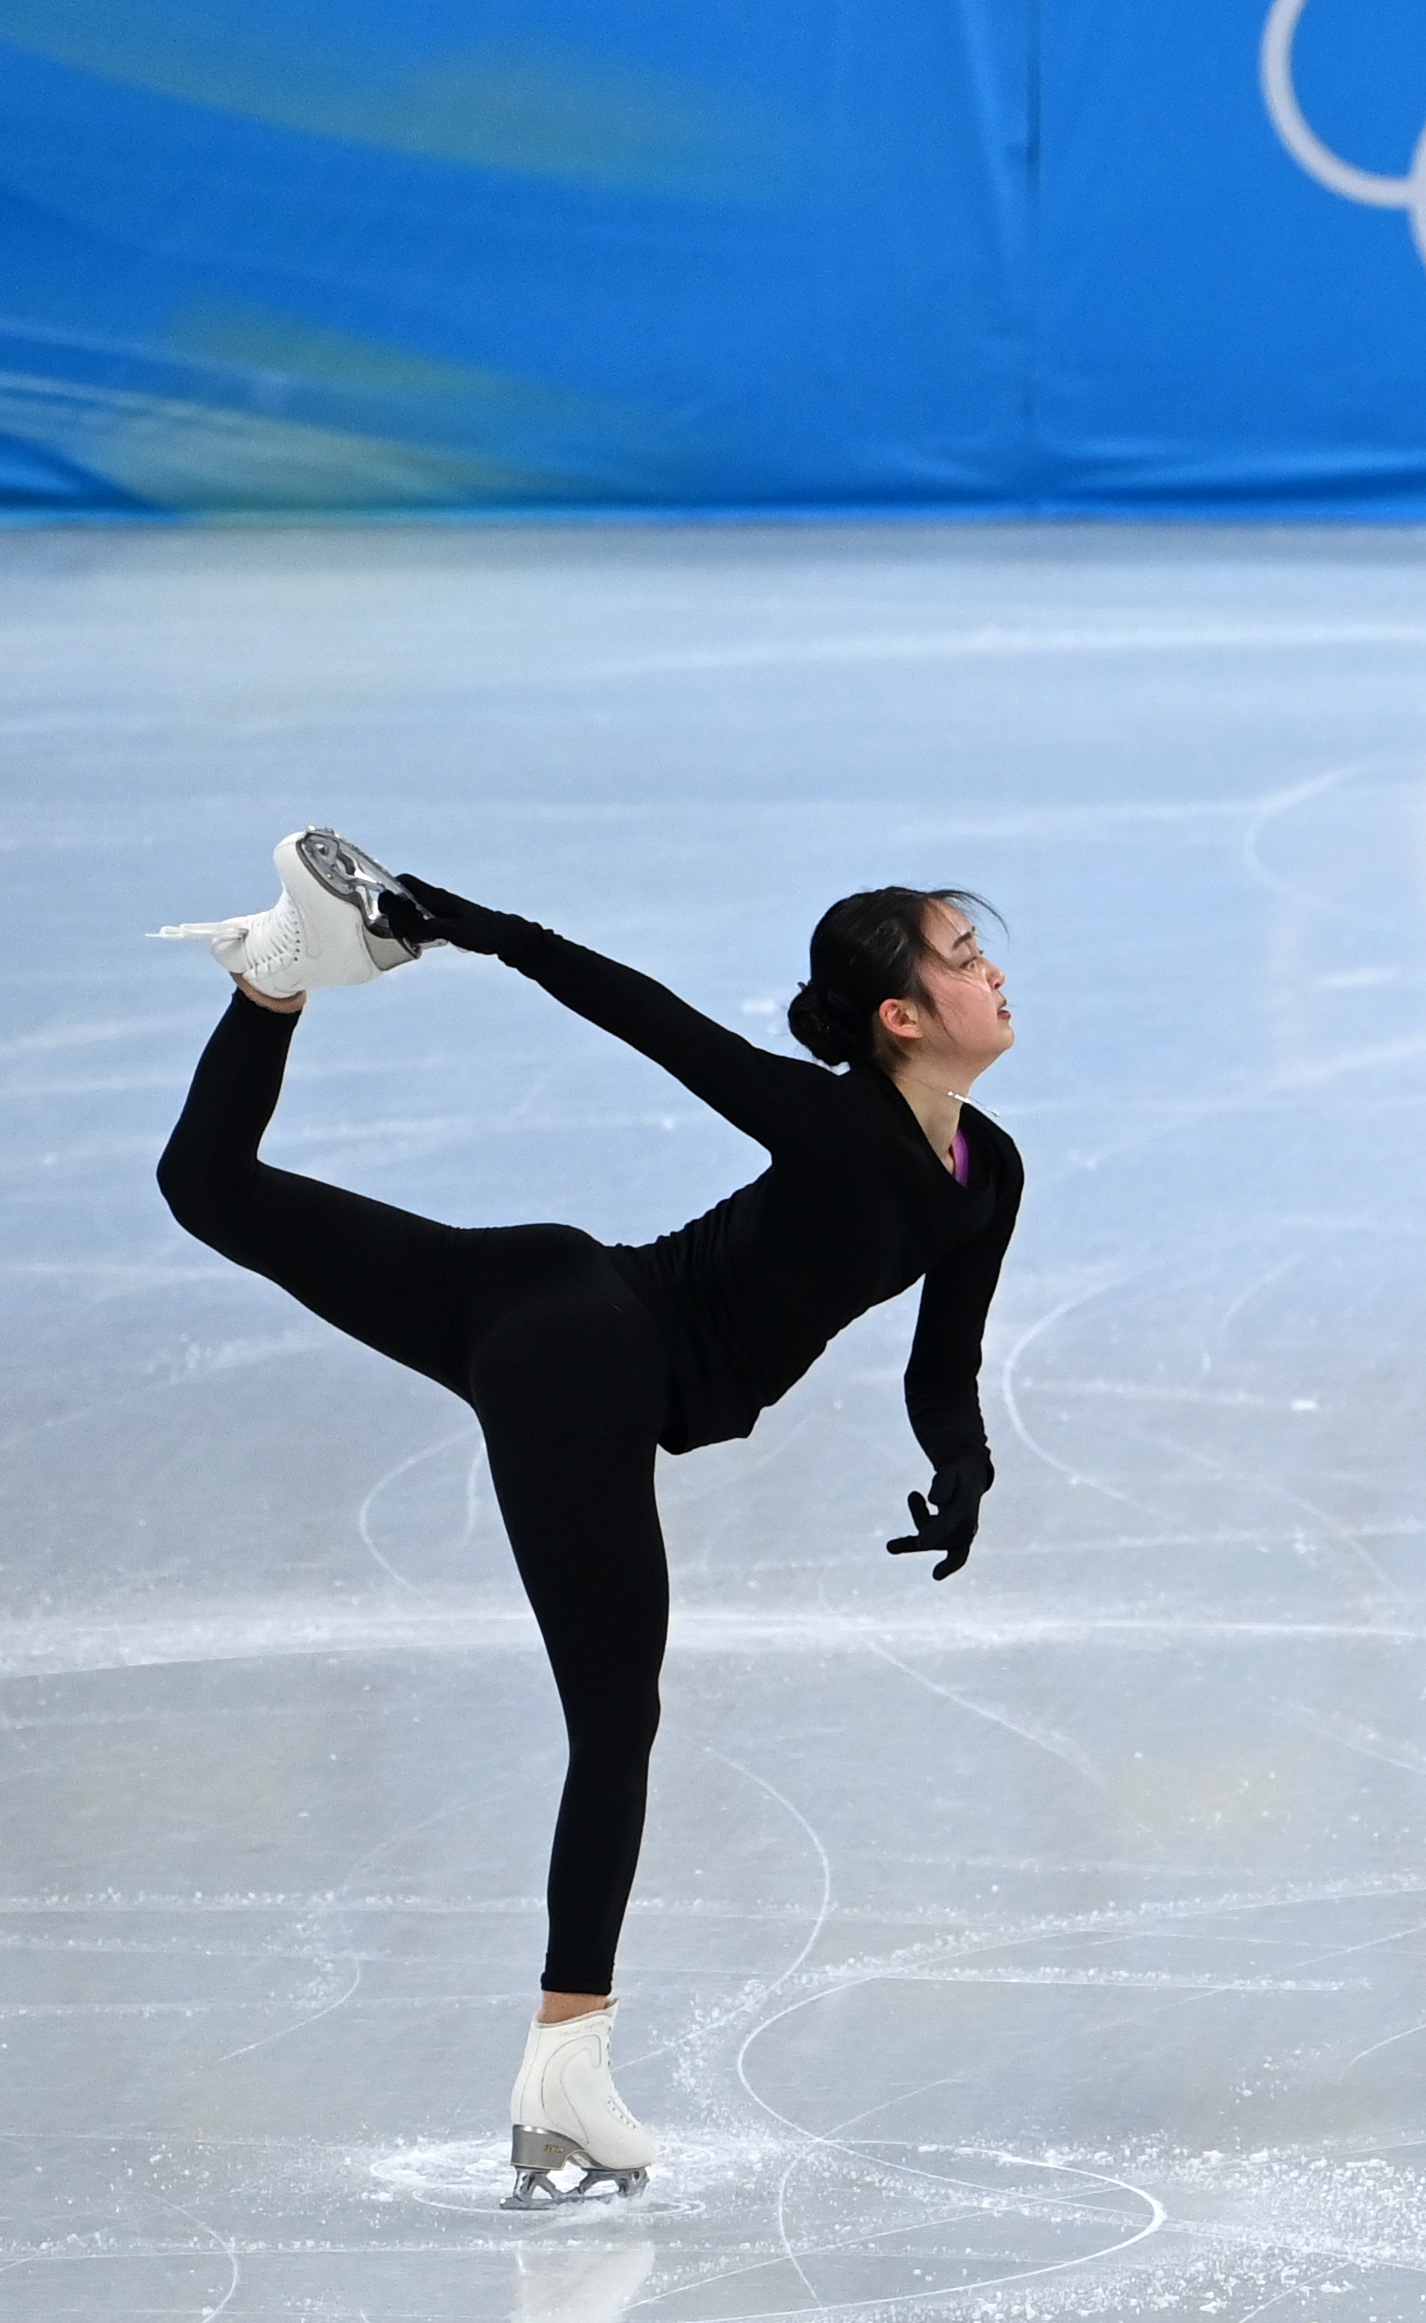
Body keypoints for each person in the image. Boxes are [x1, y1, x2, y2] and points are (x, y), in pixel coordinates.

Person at [150, 830, 1023, 2207]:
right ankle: (567, 2070)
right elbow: (648, 1017)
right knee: (616, 1724)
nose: (996, 979)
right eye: (966, 962)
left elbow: (941, 1359)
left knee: (211, 1188)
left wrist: (961, 1462)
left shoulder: (990, 1173)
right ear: (902, 1017)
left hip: (552, 1299)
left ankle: (278, 978)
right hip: (587, 1363)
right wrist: (479, 926)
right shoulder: (837, 1123)